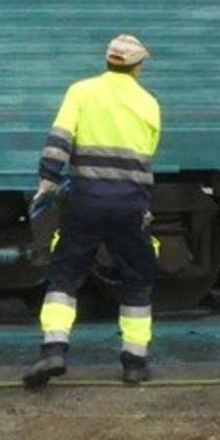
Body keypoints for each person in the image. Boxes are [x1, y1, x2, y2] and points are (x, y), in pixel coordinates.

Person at [24, 34, 161, 387]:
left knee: (65, 275)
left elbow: (59, 139)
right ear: (138, 66)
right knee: (137, 279)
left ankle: (53, 350)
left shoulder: (81, 91)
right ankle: (134, 362)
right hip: (130, 203)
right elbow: (147, 156)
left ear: (108, 60)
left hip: (85, 200)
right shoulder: (149, 103)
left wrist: (48, 180)